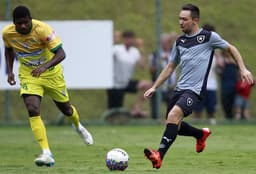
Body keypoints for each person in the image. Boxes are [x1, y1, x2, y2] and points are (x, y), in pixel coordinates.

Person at [143, 3, 254, 169]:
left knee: (173, 116)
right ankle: (200, 134)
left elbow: (231, 48)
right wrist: (154, 86)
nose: (180, 22)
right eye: (179, 19)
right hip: (179, 89)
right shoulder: (179, 41)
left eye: (184, 19)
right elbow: (170, 67)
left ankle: (159, 155)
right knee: (175, 126)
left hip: (195, 91)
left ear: (195, 20)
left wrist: (242, 68)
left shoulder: (208, 37)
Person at [2, 6, 93, 167]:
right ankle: (46, 152)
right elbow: (8, 50)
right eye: (18, 24)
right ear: (14, 23)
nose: (22, 26)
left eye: (25, 22)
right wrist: (10, 71)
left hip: (52, 74)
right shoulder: (7, 33)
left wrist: (44, 67)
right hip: (29, 75)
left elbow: (61, 54)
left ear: (30, 19)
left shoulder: (42, 30)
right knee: (32, 109)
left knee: (66, 109)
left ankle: (78, 126)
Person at [107, 30, 152, 118]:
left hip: (126, 82)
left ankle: (136, 109)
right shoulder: (116, 49)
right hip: (114, 84)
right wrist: (113, 40)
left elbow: (142, 66)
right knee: (114, 113)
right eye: (127, 38)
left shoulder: (135, 51)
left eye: (131, 38)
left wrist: (141, 48)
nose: (129, 41)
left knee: (148, 85)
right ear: (123, 39)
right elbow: (106, 55)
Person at [193, 24, 220, 125]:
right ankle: (196, 130)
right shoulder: (197, 48)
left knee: (211, 111)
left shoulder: (216, 50)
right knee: (197, 111)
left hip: (211, 85)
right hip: (199, 85)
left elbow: (219, 67)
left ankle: (212, 131)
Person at [149, 32, 178, 117]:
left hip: (171, 86)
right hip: (159, 86)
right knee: (155, 110)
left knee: (173, 111)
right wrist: (159, 63)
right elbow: (151, 70)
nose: (165, 44)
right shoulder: (155, 55)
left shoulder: (175, 53)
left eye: (167, 42)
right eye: (163, 43)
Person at [218, 50, 239, 119]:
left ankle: (234, 117)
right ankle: (228, 117)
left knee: (234, 103)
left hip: (234, 86)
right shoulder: (222, 61)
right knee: (225, 103)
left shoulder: (235, 61)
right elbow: (218, 71)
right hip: (225, 86)